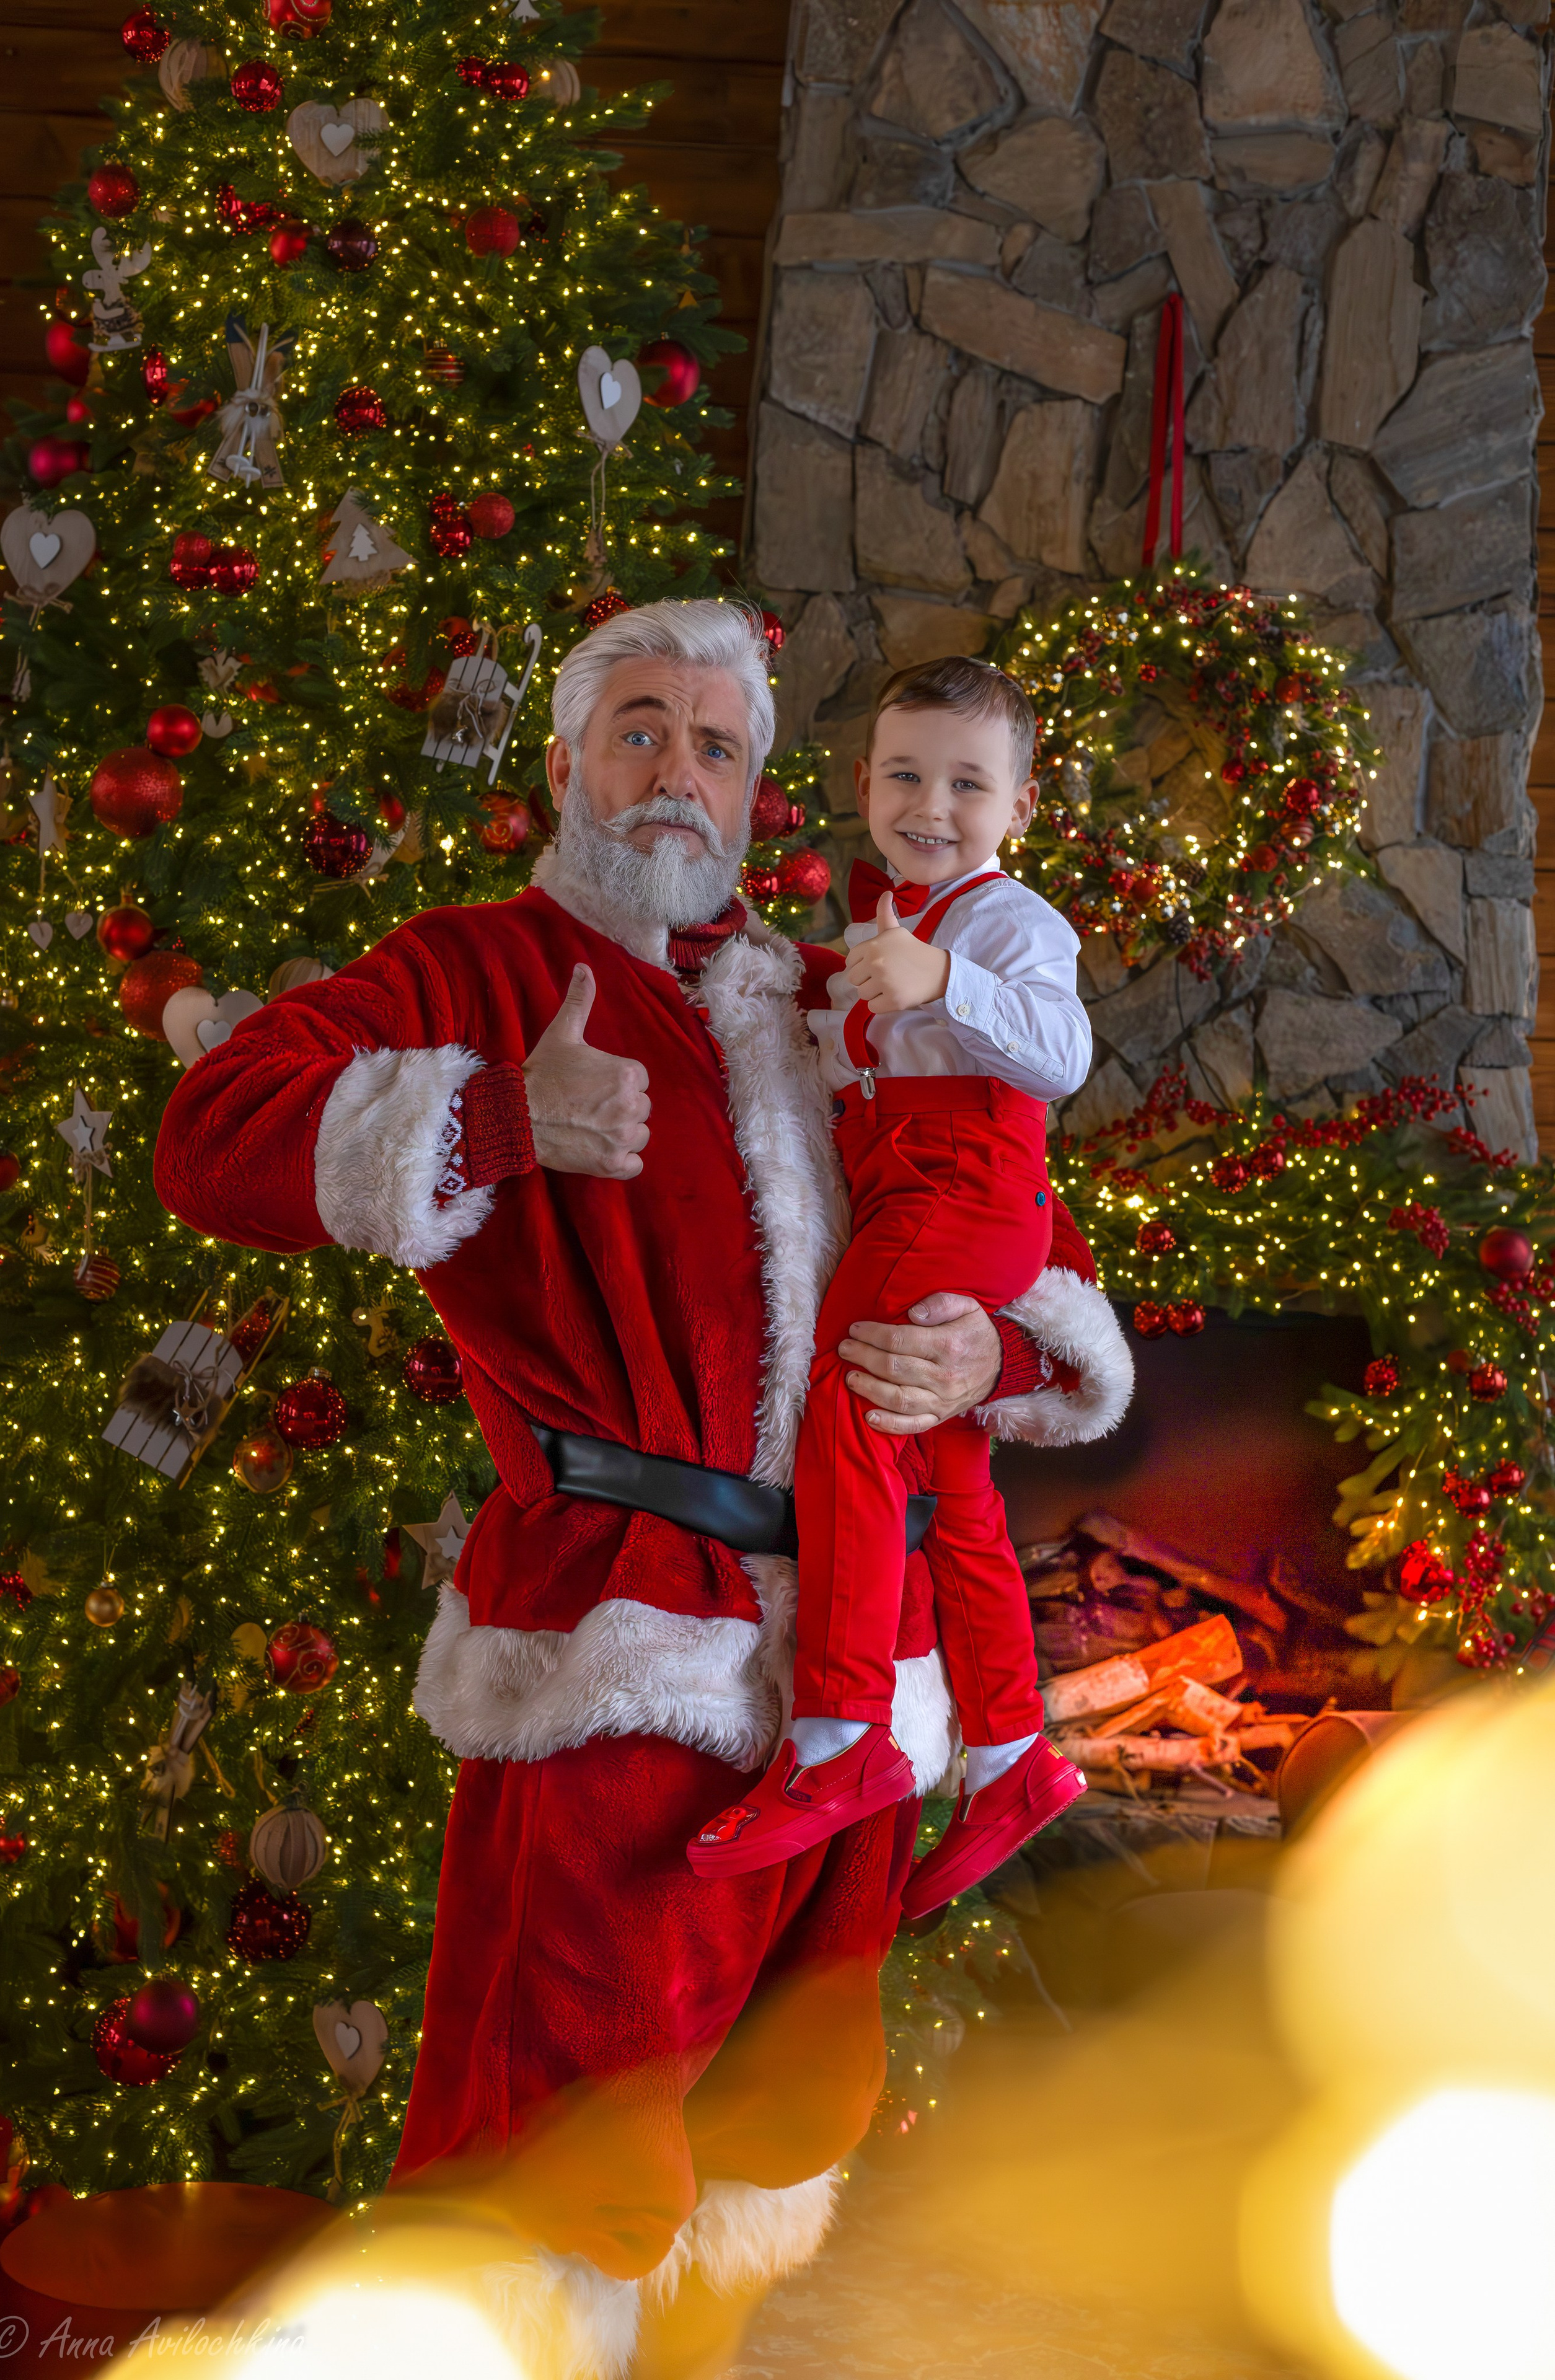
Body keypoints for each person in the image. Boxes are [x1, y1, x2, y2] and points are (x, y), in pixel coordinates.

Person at [152, 601, 1133, 2380]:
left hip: (854, 1673)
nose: (678, 769)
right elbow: (211, 1133)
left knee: (778, 2125)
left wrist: (1009, 1352)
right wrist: (498, 1117)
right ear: (563, 764)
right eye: (638, 729)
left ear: (763, 792)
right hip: (620, 1654)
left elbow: (1000, 1198)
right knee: (564, 2154)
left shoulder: (830, 986)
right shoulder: (482, 963)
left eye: (717, 742)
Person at [690, 659, 1093, 1913]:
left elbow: (1063, 1052)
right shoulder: (890, 921)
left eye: (967, 783)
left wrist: (945, 985)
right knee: (949, 1471)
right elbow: (855, 1029)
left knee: (848, 1415)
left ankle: (839, 1729)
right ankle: (1016, 1755)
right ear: (863, 785)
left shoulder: (1003, 921)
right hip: (912, 1183)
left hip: (957, 1190)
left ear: (1017, 806)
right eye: (906, 774)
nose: (932, 802)